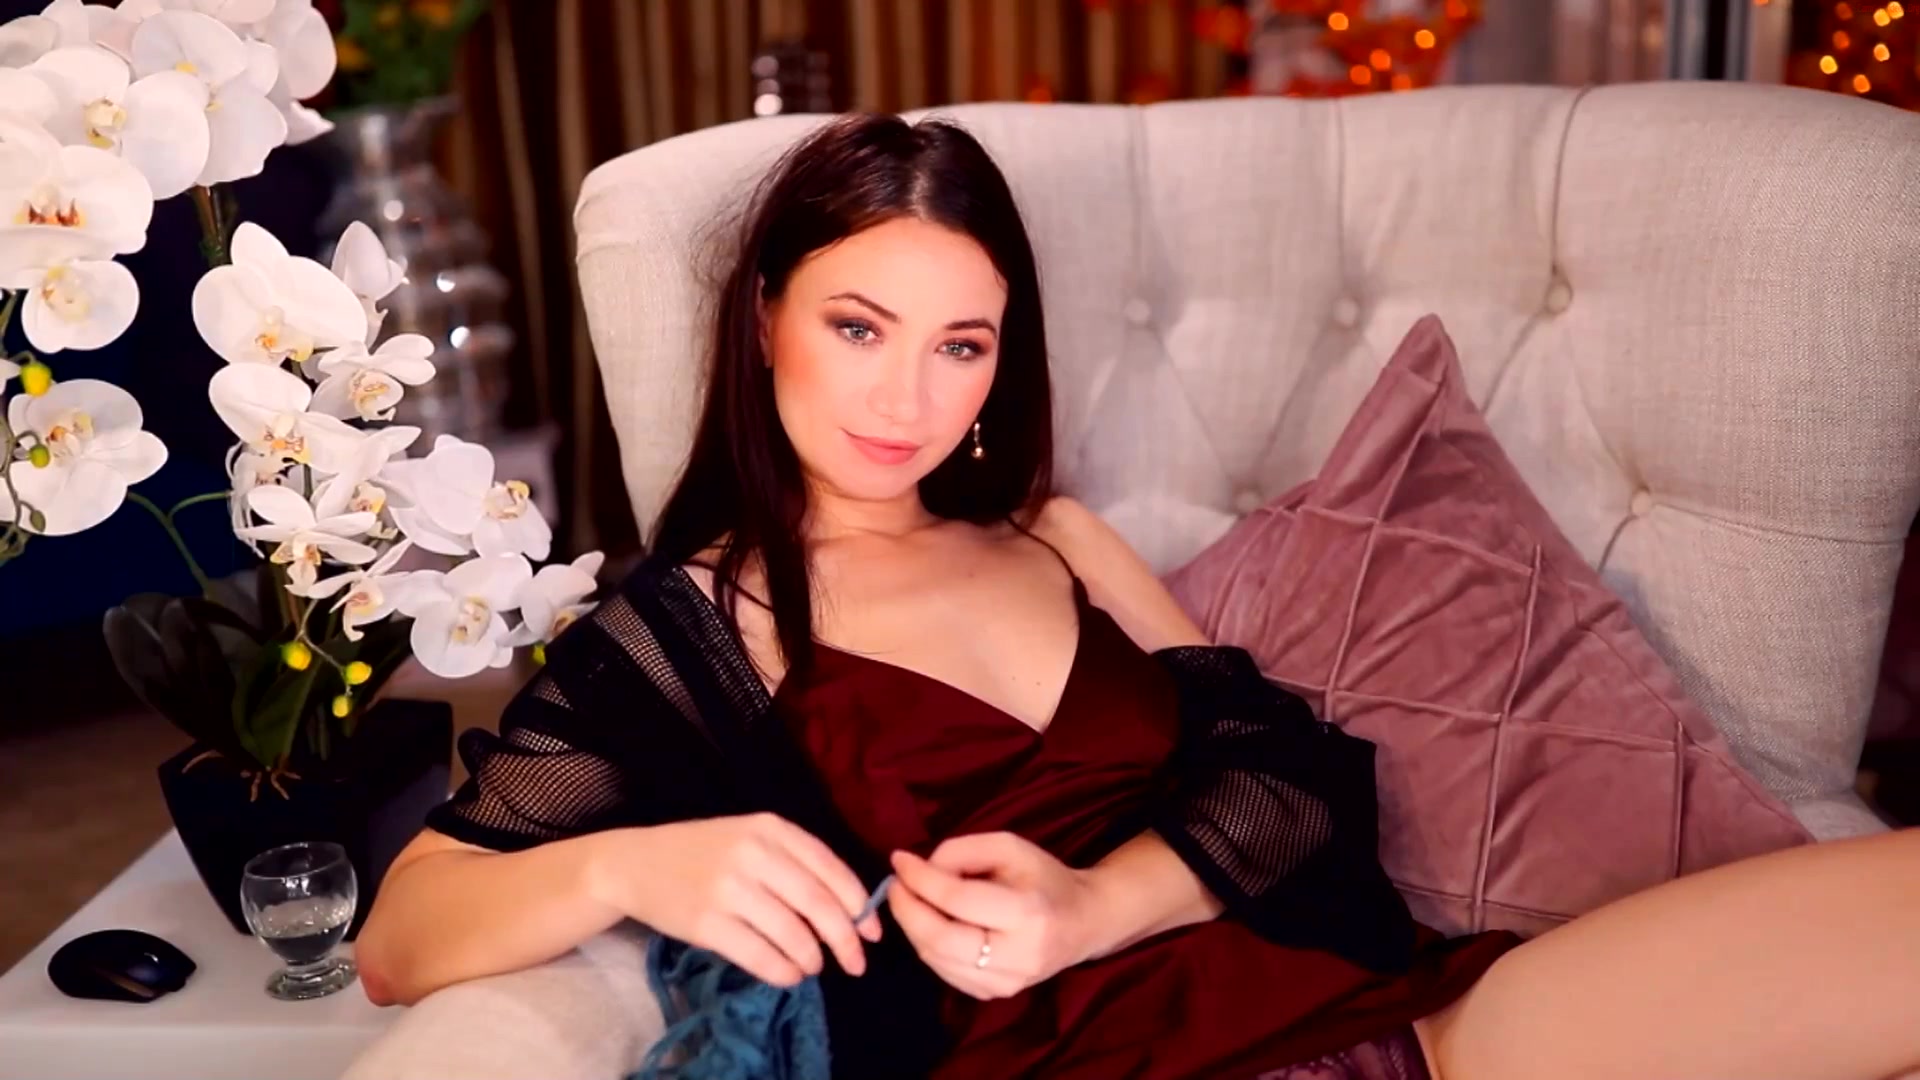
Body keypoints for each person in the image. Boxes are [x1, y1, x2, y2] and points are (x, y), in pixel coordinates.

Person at [354, 113, 1920, 1080]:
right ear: (766, 319)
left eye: (961, 346)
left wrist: (1098, 903)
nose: (907, 396)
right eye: (858, 326)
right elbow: (402, 936)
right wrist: (641, 862)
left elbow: (1296, 779)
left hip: (1401, 1024)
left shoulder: (1055, 538)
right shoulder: (694, 627)